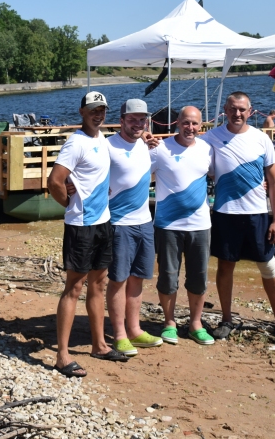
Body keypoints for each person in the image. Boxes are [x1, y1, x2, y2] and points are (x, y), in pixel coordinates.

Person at [203, 91, 275, 342]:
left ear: (250, 111)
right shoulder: (210, 138)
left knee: (269, 266)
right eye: (233, 108)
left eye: (242, 109)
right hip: (226, 213)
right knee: (225, 267)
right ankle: (226, 319)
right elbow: (183, 146)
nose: (237, 114)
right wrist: (150, 139)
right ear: (225, 109)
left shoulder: (261, 138)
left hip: (257, 214)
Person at [47, 91, 127, 377]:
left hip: (103, 222)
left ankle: (99, 345)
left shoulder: (101, 139)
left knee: (99, 284)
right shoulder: (75, 142)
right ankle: (62, 355)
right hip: (81, 226)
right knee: (74, 287)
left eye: (102, 109)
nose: (98, 114)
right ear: (82, 112)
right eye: (93, 109)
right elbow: (54, 180)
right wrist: (68, 204)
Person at [149, 105, 215, 346]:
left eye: (195, 124)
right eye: (186, 123)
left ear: (201, 126)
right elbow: (136, 173)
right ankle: (169, 323)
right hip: (168, 225)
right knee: (168, 276)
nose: (190, 128)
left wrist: (259, 186)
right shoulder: (160, 149)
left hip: (200, 225)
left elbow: (223, 175)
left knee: (198, 277)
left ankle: (196, 324)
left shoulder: (208, 150)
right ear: (177, 123)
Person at [105, 99, 163, 357]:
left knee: (138, 278)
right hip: (118, 224)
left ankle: (135, 330)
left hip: (144, 223)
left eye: (142, 119)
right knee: (118, 280)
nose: (138, 124)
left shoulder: (144, 145)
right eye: (133, 119)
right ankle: (119, 334)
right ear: (122, 120)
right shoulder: (107, 146)